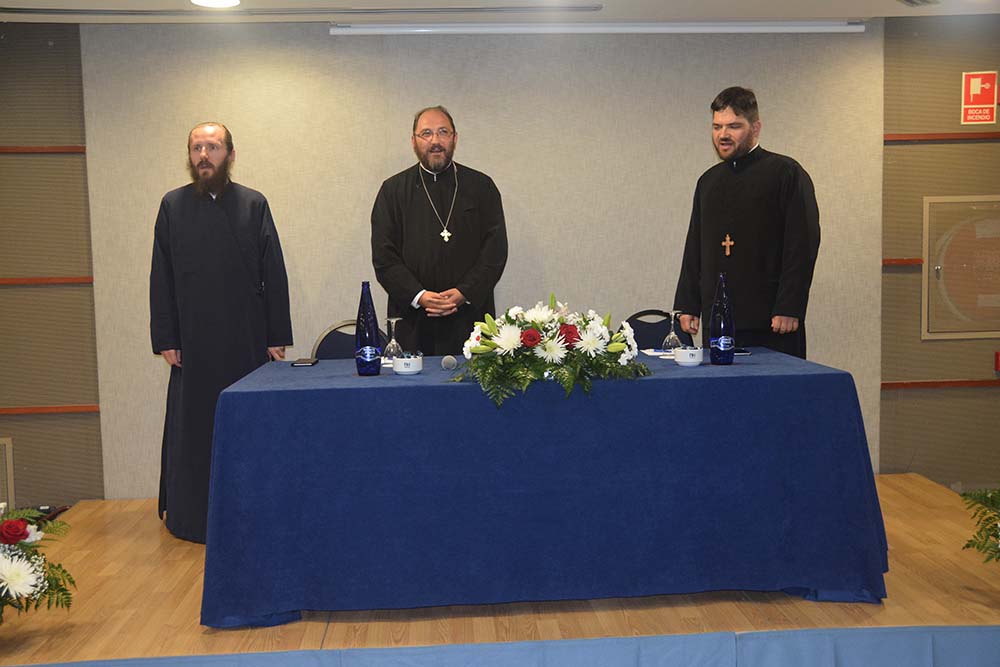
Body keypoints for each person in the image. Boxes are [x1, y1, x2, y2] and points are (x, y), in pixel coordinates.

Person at [149, 122, 292, 543]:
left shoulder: (253, 203)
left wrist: (275, 335)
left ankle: (249, 516)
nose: (203, 155)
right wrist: (166, 338)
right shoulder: (172, 205)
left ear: (230, 154)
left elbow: (273, 270)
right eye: (197, 147)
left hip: (244, 337)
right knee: (195, 431)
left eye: (212, 147)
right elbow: (161, 275)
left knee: (244, 428)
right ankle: (192, 518)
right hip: (192, 342)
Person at [673, 86, 820, 358]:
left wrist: (789, 306)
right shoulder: (708, 182)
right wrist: (688, 303)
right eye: (717, 126)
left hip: (773, 322)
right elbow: (695, 247)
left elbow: (802, 244)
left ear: (756, 128)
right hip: (719, 319)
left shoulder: (786, 173)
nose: (723, 135)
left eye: (734, 126)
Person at [371, 105, 508, 356]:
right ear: (413, 141)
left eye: (443, 132)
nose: (435, 141)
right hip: (413, 320)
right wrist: (420, 295)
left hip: (470, 318)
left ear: (454, 138)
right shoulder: (392, 191)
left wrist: (464, 292)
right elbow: (384, 258)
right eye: (426, 133)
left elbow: (495, 252)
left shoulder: (482, 187)